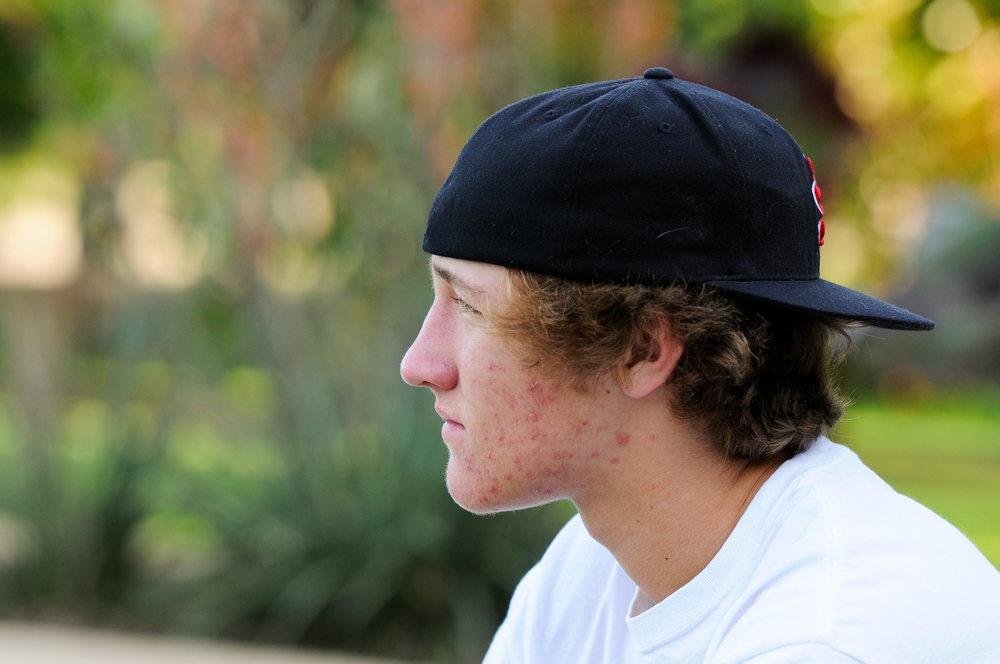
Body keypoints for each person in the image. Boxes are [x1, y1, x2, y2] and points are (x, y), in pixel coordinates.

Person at [400, 68, 1000, 663]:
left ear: (643, 349)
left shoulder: (823, 639)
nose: (419, 364)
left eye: (470, 306)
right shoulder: (594, 569)